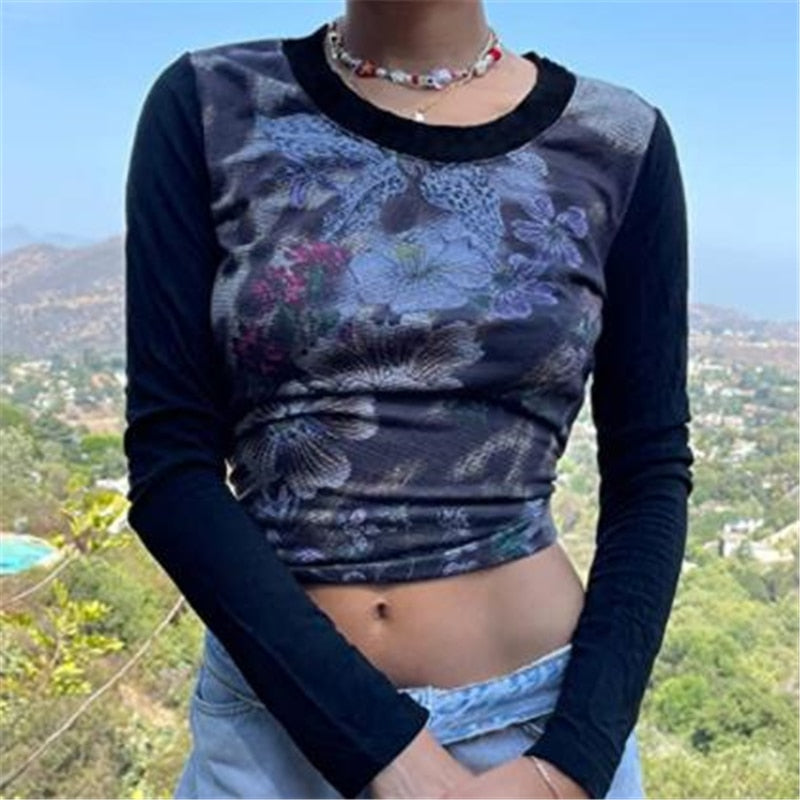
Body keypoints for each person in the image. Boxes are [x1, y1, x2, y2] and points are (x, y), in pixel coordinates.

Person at [122, 1, 695, 798]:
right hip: (279, 735)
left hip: (536, 735)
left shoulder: (618, 140)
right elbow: (170, 469)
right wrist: (391, 757)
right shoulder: (213, 102)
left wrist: (571, 767)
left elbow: (651, 472)